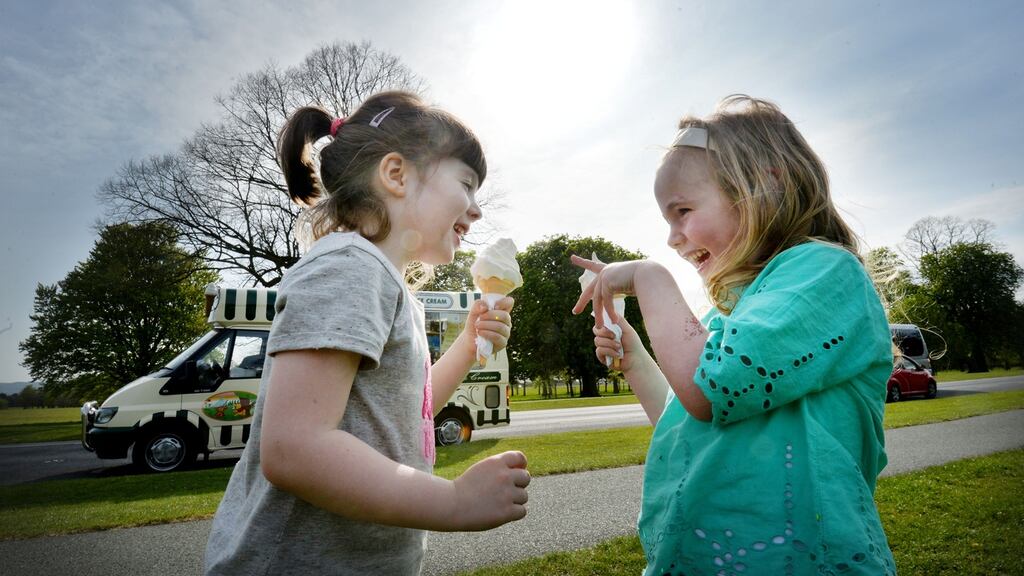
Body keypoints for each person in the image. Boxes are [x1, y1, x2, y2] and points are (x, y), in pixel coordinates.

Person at [205, 91, 530, 576]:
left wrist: (465, 345)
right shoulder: (350, 268)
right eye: (466, 183)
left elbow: (404, 413)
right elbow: (294, 449)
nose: (477, 209)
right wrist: (455, 501)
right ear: (396, 174)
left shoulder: (388, 286)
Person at [572, 95, 897, 575]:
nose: (672, 237)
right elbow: (692, 415)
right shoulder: (738, 318)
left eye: (682, 210)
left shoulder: (826, 271)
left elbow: (714, 387)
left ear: (765, 183)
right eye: (667, 219)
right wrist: (635, 357)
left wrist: (651, 278)